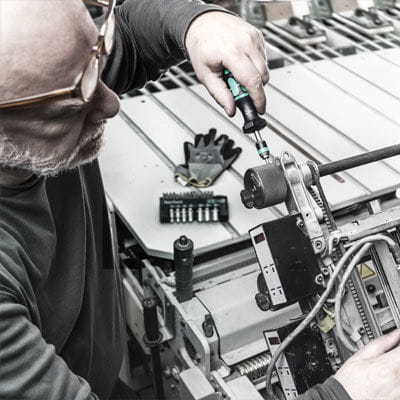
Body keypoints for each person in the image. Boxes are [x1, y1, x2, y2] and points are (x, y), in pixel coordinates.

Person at [0, 1, 399, 399]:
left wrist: (197, 24)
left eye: (97, 66)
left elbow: (131, 34)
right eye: (74, 104)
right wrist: (342, 395)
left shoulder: (40, 71)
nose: (111, 103)